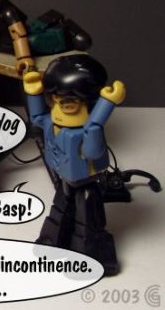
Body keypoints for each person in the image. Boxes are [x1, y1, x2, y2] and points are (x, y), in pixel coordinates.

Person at [23, 54, 125, 275]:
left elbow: (92, 151)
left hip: (86, 184)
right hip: (65, 179)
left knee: (88, 220)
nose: (64, 105)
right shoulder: (52, 123)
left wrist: (104, 109)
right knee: (61, 209)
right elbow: (37, 118)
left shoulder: (86, 132)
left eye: (72, 101)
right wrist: (33, 92)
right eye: (58, 98)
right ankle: (53, 241)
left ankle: (91, 256)